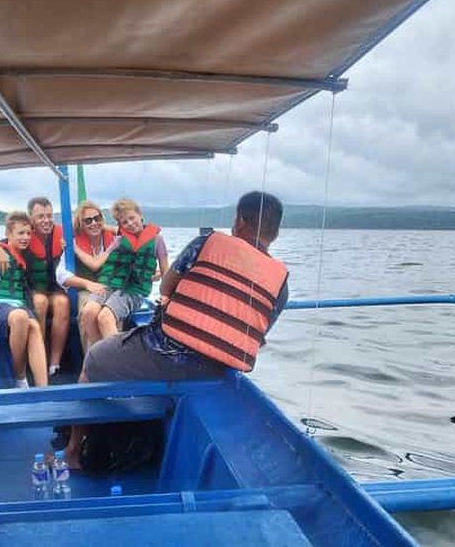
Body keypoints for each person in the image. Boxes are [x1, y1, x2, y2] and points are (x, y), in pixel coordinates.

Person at [64, 191, 289, 467]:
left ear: (240, 221)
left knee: (94, 359)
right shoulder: (281, 284)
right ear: (275, 232)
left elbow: (167, 286)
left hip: (165, 353)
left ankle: (73, 452)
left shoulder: (207, 243)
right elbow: (257, 336)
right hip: (216, 371)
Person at [0, 197, 104, 378]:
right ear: (31, 219)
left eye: (49, 216)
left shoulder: (62, 234)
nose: (46, 220)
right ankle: (39, 357)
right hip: (34, 289)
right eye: (40, 217)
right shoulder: (24, 235)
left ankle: (54, 363)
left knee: (62, 303)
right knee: (39, 302)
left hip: (54, 288)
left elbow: (95, 227)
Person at [0, 212, 47, 389]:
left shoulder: (24, 256)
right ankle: (20, 378)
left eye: (28, 233)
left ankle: (44, 388)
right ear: (9, 234)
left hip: (17, 306)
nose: (25, 237)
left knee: (33, 326)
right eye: (20, 233)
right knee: (20, 317)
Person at [86, 198, 169, 342]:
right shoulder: (119, 240)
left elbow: (166, 271)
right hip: (111, 286)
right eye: (125, 222)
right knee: (88, 312)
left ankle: (116, 361)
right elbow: (98, 262)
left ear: (140, 215)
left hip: (133, 290)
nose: (130, 224)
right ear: (120, 225)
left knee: (105, 318)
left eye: (132, 218)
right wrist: (72, 245)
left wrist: (166, 295)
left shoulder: (157, 240)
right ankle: (97, 355)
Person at [57, 200, 120, 352]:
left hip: (112, 288)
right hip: (87, 290)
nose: (94, 223)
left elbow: (135, 232)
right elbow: (61, 275)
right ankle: (94, 361)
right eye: (88, 220)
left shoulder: (114, 240)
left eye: (97, 218)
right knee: (89, 311)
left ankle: (116, 360)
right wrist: (87, 284)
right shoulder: (72, 244)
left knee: (111, 312)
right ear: (81, 224)